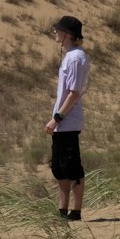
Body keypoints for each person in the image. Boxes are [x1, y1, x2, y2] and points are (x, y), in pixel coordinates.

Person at [45, 15, 90, 220]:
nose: (55, 32)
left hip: (68, 122)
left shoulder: (77, 58)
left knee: (72, 167)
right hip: (63, 123)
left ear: (68, 35)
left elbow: (74, 92)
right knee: (60, 167)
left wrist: (57, 117)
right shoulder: (71, 56)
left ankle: (76, 211)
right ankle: (62, 210)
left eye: (59, 30)